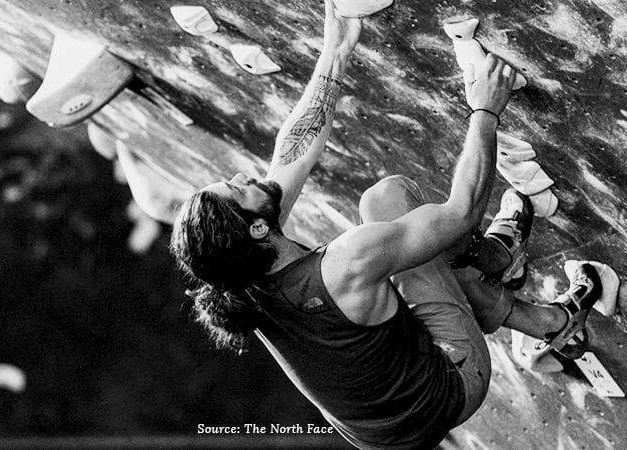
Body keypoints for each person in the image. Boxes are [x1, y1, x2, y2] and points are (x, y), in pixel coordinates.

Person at [160, 2, 608, 448]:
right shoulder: (346, 264)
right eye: (237, 189)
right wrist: (485, 110)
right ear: (258, 228)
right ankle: (509, 270)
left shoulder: (238, 272)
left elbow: (291, 152)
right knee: (389, 200)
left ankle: (529, 316)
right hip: (447, 388)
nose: (244, 177)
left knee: (396, 236)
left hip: (381, 431)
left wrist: (334, 52)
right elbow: (461, 211)